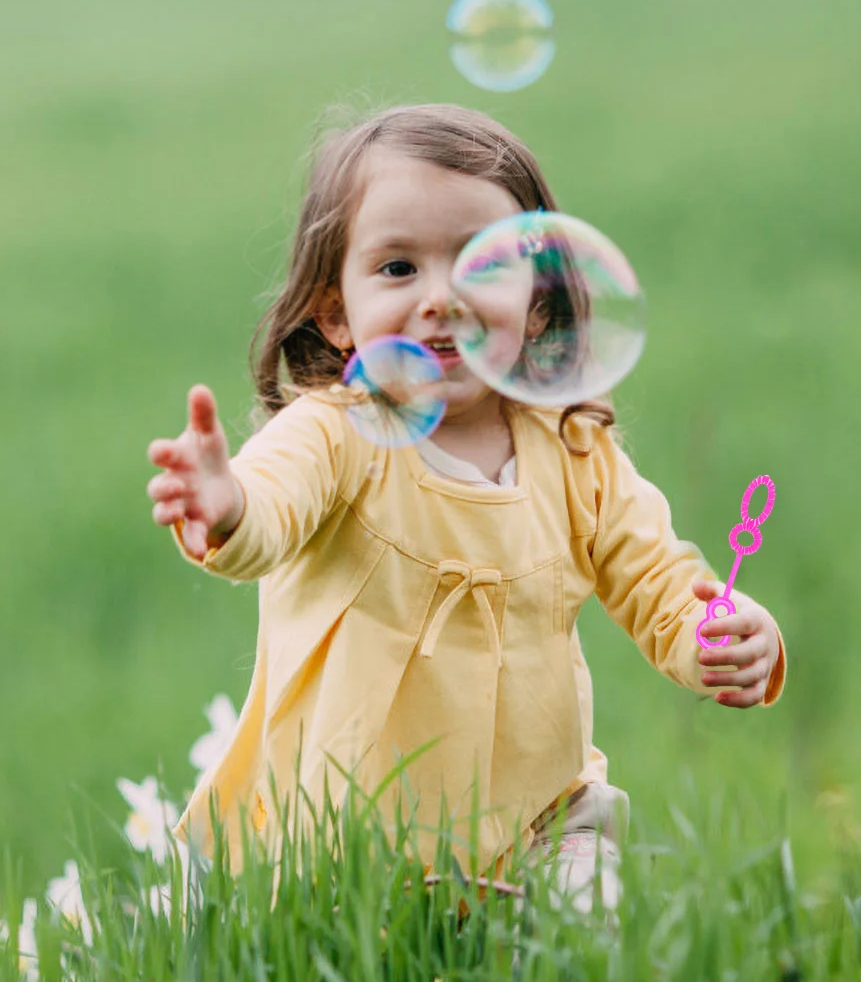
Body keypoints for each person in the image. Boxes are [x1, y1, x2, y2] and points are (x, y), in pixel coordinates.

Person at [146, 103, 786, 916]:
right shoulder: (335, 434)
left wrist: (717, 638)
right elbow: (270, 510)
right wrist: (227, 504)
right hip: (361, 830)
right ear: (334, 312)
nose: (442, 297)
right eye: (398, 268)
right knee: (381, 974)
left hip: (546, 814)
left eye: (482, 267)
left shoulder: (575, 453)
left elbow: (660, 580)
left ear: (539, 303)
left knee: (584, 938)